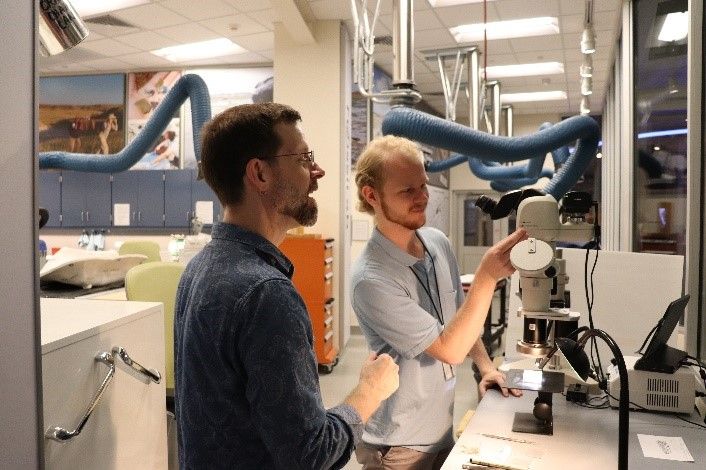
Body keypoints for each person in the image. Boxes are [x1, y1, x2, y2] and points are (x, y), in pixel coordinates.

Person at [174, 103, 400, 470]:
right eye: (303, 159)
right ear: (260, 173)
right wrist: (369, 391)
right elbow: (310, 455)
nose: (318, 171)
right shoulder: (266, 293)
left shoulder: (199, 268)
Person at [351, 135, 528, 470]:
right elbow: (449, 348)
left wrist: (486, 367)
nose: (422, 198)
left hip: (441, 427)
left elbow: (459, 319)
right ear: (371, 195)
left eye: (423, 185)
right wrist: (487, 277)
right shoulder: (371, 279)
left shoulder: (436, 242)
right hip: (399, 443)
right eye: (407, 191)